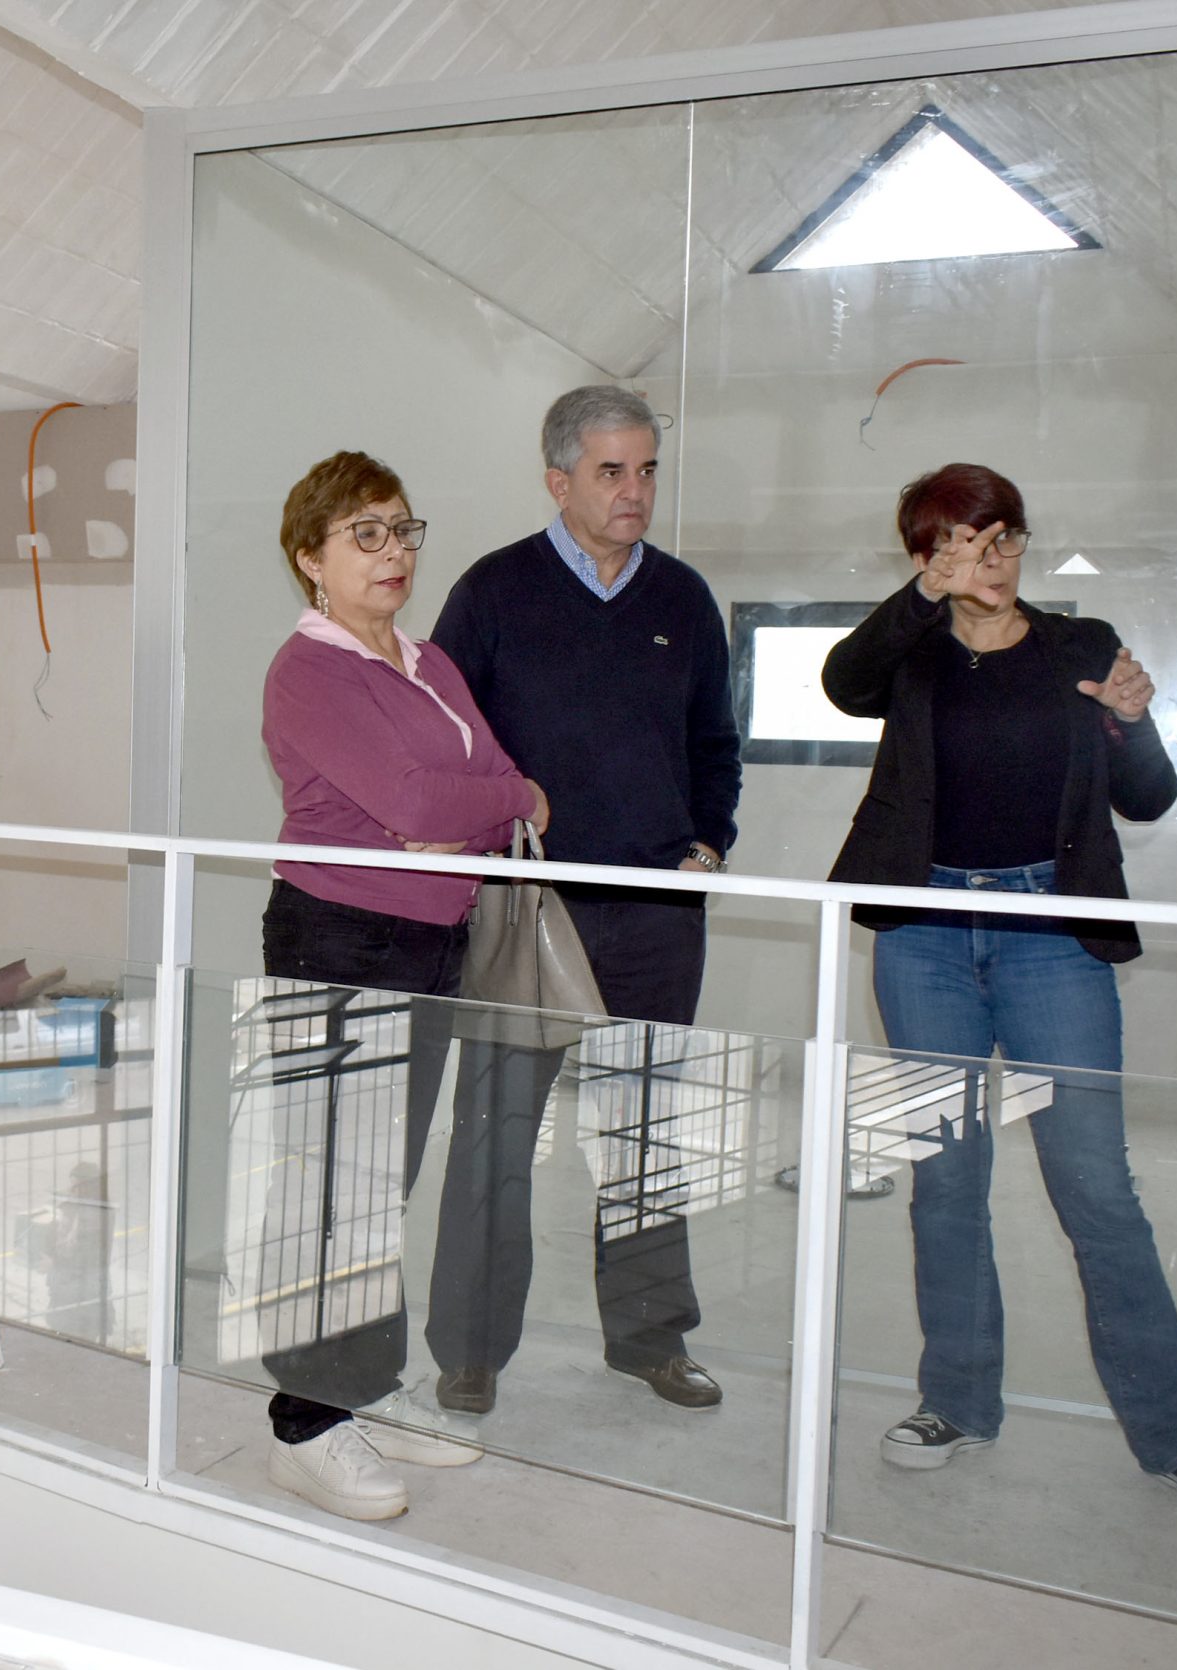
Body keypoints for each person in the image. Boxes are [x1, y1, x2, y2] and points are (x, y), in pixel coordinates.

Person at [820, 461, 1177, 1523]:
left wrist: (1133, 721)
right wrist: (925, 596)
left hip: (1050, 936)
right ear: (927, 554)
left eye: (1005, 535)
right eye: (967, 541)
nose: (993, 558)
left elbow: (1149, 796)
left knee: (1096, 1189)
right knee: (946, 1183)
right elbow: (843, 681)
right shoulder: (911, 650)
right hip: (925, 932)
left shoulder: (1079, 644)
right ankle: (955, 1403)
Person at [427, 385, 741, 1414]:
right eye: (611, 471)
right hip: (530, 909)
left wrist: (706, 844)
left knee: (648, 1130)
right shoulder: (492, 592)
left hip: (654, 912)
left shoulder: (683, 599)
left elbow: (715, 745)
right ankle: (470, 1350)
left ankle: (650, 1339)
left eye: (647, 469)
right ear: (558, 480)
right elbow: (448, 744)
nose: (634, 490)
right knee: (496, 1133)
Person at [256, 449, 551, 1521]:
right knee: (328, 1185)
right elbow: (423, 800)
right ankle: (303, 1426)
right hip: (338, 940)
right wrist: (493, 798)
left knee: (380, 1184)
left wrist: (481, 799)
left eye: (402, 529)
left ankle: (362, 1389)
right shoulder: (310, 670)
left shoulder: (428, 662)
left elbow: (491, 782)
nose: (394, 552)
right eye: (365, 535)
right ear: (311, 558)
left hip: (435, 941)